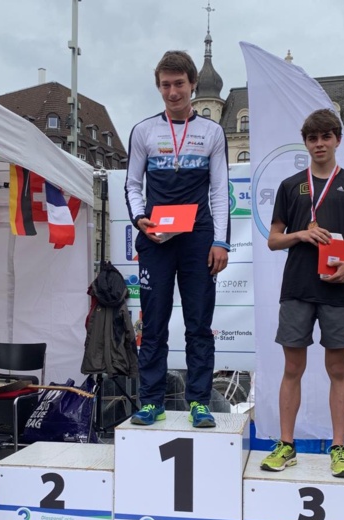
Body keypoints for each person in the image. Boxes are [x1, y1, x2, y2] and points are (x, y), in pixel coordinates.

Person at [260, 108, 344, 477]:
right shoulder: (291, 185)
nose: (319, 144)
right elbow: (274, 239)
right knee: (293, 368)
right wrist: (301, 234)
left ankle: (339, 448)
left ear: (337, 140)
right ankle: (286, 445)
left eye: (325, 137)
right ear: (305, 143)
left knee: (337, 370)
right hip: (297, 288)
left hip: (338, 289)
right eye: (312, 138)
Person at [124, 50, 230, 428]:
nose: (173, 92)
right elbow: (132, 184)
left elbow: (220, 191)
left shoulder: (212, 132)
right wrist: (140, 219)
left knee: (198, 323)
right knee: (153, 324)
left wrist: (220, 242)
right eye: (166, 85)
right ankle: (151, 401)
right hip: (156, 237)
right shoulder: (143, 131)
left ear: (193, 84)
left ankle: (199, 401)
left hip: (197, 237)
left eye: (179, 84)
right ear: (158, 87)